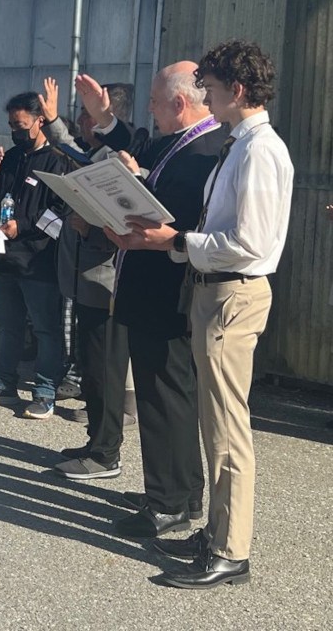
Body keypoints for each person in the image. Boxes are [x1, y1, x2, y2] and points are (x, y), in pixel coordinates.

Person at [110, 41, 293, 588]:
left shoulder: (260, 150)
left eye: (210, 89)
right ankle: (217, 529)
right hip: (215, 291)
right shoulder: (241, 145)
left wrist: (178, 241)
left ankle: (231, 550)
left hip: (233, 294)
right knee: (215, 423)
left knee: (227, 431)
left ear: (237, 90)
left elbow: (249, 242)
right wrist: (177, 243)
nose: (205, 99)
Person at [74, 62, 227, 538]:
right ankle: (183, 492)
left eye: (157, 102)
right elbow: (139, 145)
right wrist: (103, 118)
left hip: (168, 290)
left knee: (165, 399)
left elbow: (182, 215)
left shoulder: (207, 149)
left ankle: (167, 503)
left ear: (180, 103)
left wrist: (136, 187)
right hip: (150, 284)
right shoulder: (179, 140)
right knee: (171, 396)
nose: (150, 110)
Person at [37, 78, 139, 475]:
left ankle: (105, 452)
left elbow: (129, 217)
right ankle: (96, 439)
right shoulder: (100, 153)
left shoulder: (124, 157)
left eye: (88, 113)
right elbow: (75, 155)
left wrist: (91, 227)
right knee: (92, 368)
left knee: (105, 371)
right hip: (84, 279)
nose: (82, 121)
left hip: (106, 281)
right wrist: (52, 120)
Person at [0, 93, 70, 418]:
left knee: (44, 329)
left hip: (38, 260)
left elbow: (60, 211)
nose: (16, 131)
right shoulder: (11, 156)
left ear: (40, 120)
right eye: (12, 125)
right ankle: (3, 384)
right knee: (9, 326)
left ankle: (44, 391)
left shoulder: (57, 159)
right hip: (6, 256)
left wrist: (21, 227)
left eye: (21, 125)